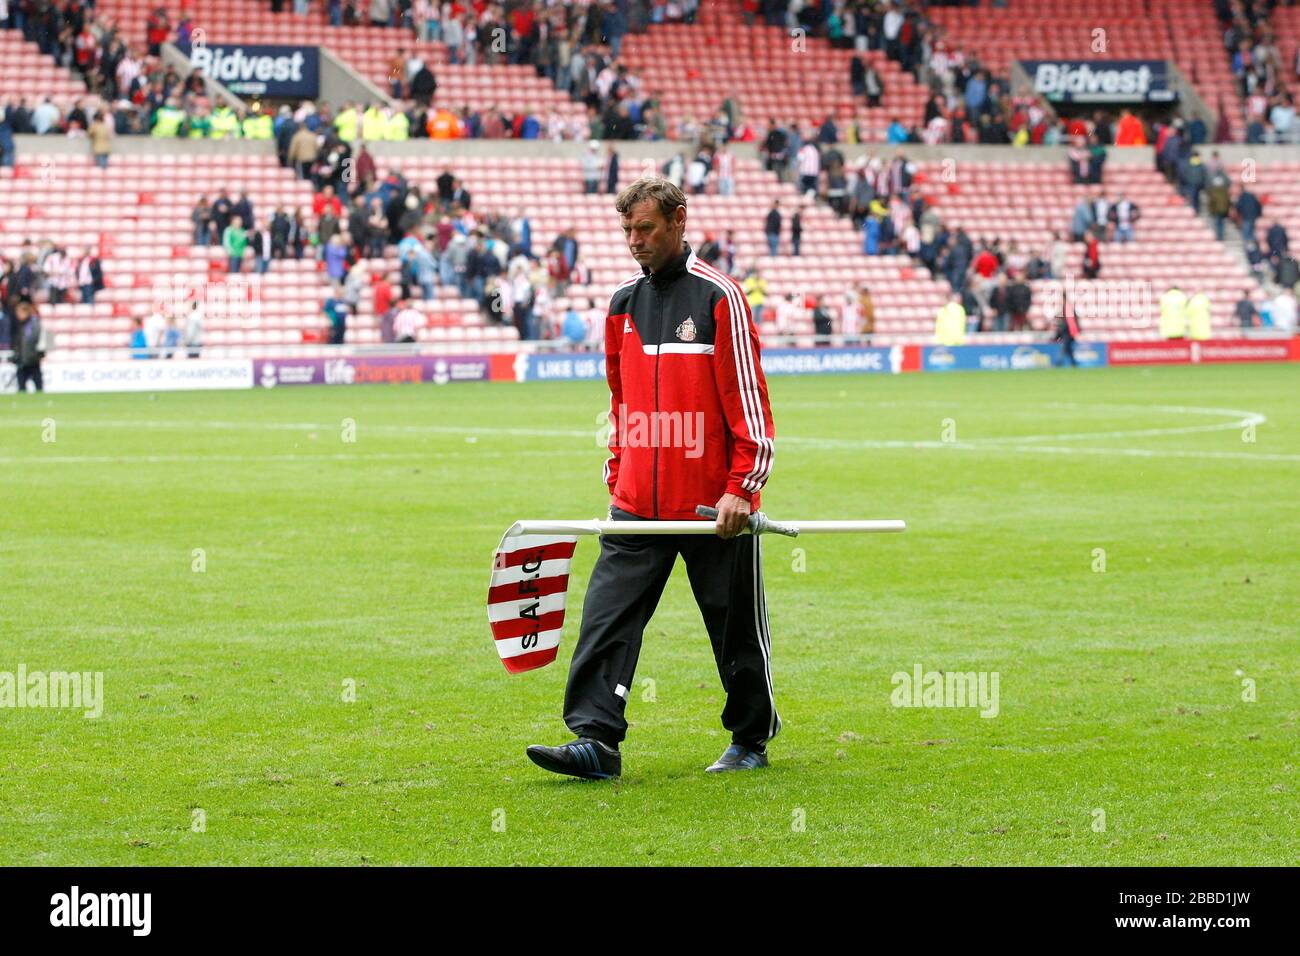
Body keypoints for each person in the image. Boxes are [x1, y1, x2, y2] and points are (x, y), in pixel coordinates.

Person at [525, 177, 778, 780]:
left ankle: (749, 738)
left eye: (646, 229)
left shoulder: (721, 298)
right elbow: (621, 402)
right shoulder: (620, 304)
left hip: (713, 508)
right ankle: (596, 740)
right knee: (606, 618)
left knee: (735, 628)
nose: (635, 241)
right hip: (637, 503)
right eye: (627, 231)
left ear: (678, 220)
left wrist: (741, 487)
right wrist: (619, 475)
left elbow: (750, 405)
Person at [11, 301, 44, 392]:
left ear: (25, 312)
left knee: (38, 386)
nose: (17, 315)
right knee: (21, 387)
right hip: (23, 360)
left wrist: (35, 356)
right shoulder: (21, 324)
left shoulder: (32, 324)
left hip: (32, 360)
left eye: (19, 312)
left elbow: (35, 341)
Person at [1053, 294, 1081, 367]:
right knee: (1068, 348)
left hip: (1067, 332)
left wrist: (1059, 332)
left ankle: (1059, 362)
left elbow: (1067, 322)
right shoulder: (1069, 309)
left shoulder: (1067, 309)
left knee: (1063, 347)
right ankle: (1074, 363)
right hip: (1069, 331)